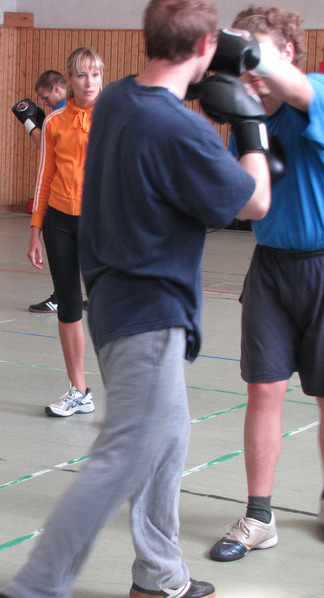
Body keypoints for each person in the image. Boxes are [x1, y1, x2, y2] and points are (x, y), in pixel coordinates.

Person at [0, 1, 271, 596]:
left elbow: (157, 97)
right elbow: (255, 202)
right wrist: (250, 121)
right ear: (203, 51)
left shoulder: (118, 98)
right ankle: (35, 587)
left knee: (168, 442)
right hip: (148, 315)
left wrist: (200, 71)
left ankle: (158, 574)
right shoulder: (181, 129)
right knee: (121, 457)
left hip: (123, 305)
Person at [209, 4, 324, 563]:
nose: (249, 63)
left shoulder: (316, 91)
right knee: (263, 391)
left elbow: (298, 93)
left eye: (261, 50)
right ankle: (259, 516)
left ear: (290, 53)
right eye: (244, 51)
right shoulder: (244, 112)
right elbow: (240, 199)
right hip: (271, 267)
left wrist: (243, 51)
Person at [25, 47, 104, 417]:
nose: (90, 83)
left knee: (111, 306)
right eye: (82, 75)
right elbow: (44, 178)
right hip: (59, 221)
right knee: (69, 305)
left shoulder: (114, 119)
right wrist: (35, 229)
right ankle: (79, 390)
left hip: (99, 222)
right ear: (69, 80)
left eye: (96, 75)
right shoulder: (54, 123)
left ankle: (127, 393)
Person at [13, 70, 89, 315]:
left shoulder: (64, 115)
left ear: (57, 89)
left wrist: (28, 122)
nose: (44, 102)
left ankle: (64, 296)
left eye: (45, 97)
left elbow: (43, 146)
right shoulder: (58, 117)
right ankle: (66, 296)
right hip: (63, 205)